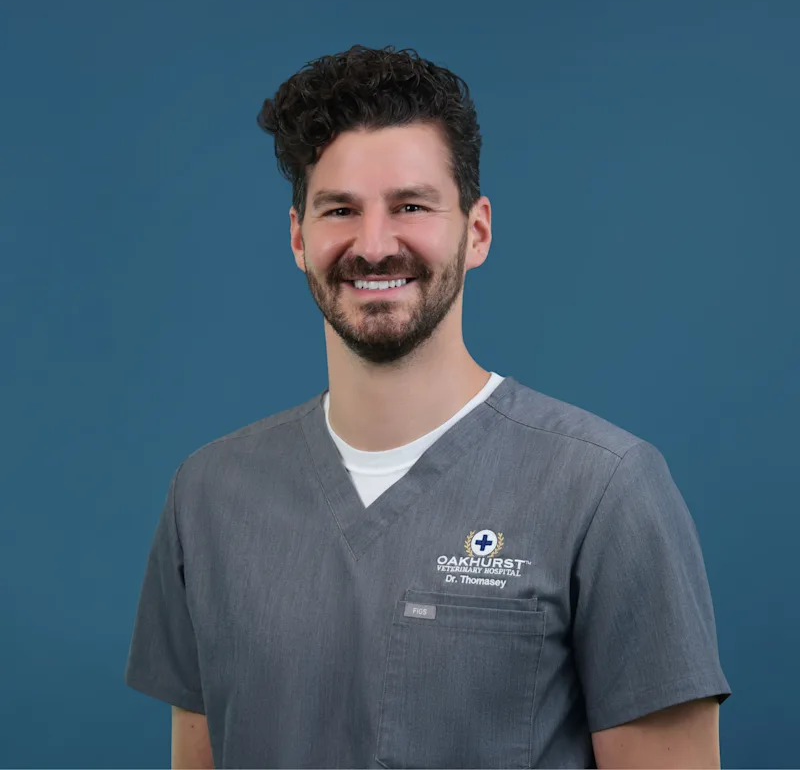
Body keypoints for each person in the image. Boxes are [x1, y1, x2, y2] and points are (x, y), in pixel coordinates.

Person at [124, 44, 731, 769]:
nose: (373, 245)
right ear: (298, 238)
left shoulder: (605, 491)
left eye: (410, 206)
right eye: (339, 209)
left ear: (475, 231)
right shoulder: (208, 496)